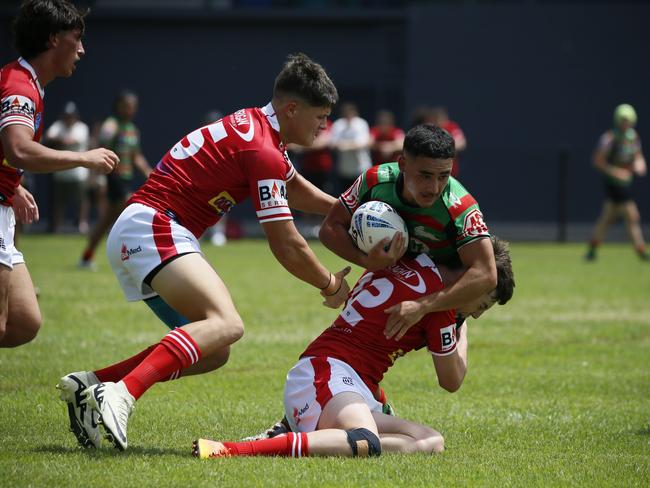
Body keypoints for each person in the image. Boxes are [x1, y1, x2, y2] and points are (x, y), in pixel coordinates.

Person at [57, 53, 351, 451]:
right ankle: (120, 395)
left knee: (215, 350)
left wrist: (344, 209)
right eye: (320, 115)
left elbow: (294, 187)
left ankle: (92, 384)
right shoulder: (262, 149)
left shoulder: (259, 129)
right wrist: (330, 283)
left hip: (146, 227)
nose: (324, 125)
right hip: (155, 226)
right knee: (227, 323)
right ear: (292, 107)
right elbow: (286, 242)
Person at [193, 236, 514, 459]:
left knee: (431, 441)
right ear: (478, 277)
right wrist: (462, 326)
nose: (475, 312)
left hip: (348, 383)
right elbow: (452, 380)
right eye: (482, 304)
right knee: (365, 441)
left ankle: (307, 432)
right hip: (325, 374)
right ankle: (233, 449)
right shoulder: (441, 308)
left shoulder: (406, 256)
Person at [0, 0, 118, 348]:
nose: (82, 49)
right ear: (54, 39)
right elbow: (19, 149)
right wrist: (83, 158)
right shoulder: (20, 86)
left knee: (24, 321)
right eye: (76, 38)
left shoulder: (27, 82)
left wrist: (12, 184)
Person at [320, 124, 496, 343]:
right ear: (402, 163)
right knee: (358, 338)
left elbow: (487, 274)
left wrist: (423, 306)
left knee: (450, 377)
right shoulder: (375, 181)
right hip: (395, 270)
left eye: (443, 176)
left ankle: (460, 328)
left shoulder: (460, 207)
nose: (434, 187)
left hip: (442, 289)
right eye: (425, 175)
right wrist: (365, 260)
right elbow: (330, 227)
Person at [79, 90, 152, 268]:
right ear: (119, 106)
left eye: (133, 106)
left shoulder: (133, 130)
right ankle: (140, 259)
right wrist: (99, 178)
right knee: (134, 207)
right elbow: (100, 149)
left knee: (106, 220)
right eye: (127, 106)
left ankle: (86, 257)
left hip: (125, 179)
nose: (130, 110)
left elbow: (136, 156)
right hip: (113, 177)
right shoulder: (111, 125)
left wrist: (149, 172)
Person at [585, 103, 648, 261]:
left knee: (607, 218)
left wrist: (640, 164)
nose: (625, 123)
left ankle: (592, 250)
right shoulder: (609, 138)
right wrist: (616, 172)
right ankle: (641, 250)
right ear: (618, 120)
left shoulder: (633, 137)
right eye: (623, 120)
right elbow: (597, 160)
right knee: (632, 215)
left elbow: (638, 157)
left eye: (628, 120)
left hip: (626, 184)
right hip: (614, 184)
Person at [43, 101, 90, 233]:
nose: (69, 118)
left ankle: (82, 224)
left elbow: (71, 140)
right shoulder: (58, 125)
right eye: (67, 116)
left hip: (78, 173)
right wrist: (59, 140)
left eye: (71, 116)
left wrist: (58, 140)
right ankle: (57, 226)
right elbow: (47, 137)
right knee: (58, 202)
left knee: (81, 201)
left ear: (75, 116)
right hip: (60, 172)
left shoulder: (82, 127)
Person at [329, 102, 372, 193]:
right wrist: (349, 145)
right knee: (346, 197)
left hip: (361, 168)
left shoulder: (361, 123)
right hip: (344, 170)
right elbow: (332, 143)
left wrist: (344, 146)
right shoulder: (338, 124)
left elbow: (364, 143)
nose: (349, 116)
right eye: (346, 114)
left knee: (361, 195)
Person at [430, 106, 466, 178]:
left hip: (449, 169)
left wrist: (445, 147)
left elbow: (461, 143)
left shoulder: (451, 127)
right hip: (433, 168)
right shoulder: (431, 128)